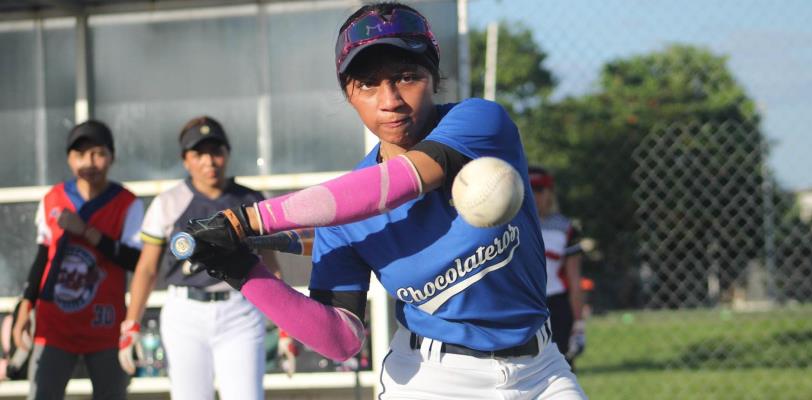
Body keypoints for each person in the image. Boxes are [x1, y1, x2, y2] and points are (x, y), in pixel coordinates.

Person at [181, 3, 586, 398]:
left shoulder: (480, 123)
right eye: (368, 84)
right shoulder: (340, 213)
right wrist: (243, 271)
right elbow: (341, 339)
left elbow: (400, 183)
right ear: (348, 94)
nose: (390, 99)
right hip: (433, 381)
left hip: (541, 371)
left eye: (407, 76)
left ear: (435, 78)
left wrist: (247, 221)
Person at [118, 116, 287, 400]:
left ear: (227, 154)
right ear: (186, 160)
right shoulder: (168, 202)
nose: (209, 161)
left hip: (240, 311)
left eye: (216, 151)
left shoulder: (252, 199)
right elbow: (146, 269)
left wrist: (286, 326)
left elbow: (271, 267)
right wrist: (131, 323)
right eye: (199, 153)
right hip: (185, 313)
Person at [12, 120, 144, 400]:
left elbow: (136, 261)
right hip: (55, 321)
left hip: (105, 322)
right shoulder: (53, 198)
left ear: (112, 156)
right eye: (80, 154)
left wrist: (86, 232)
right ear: (69, 159)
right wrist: (26, 304)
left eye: (98, 153)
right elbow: (41, 257)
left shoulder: (126, 203)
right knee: (42, 394)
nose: (89, 162)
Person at [529, 166, 587, 369]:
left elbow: (574, 278)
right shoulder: (508, 224)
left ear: (550, 194)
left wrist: (578, 325)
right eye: (529, 189)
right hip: (523, 304)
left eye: (539, 190)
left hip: (556, 306)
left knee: (561, 368)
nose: (534, 196)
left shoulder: (565, 227)